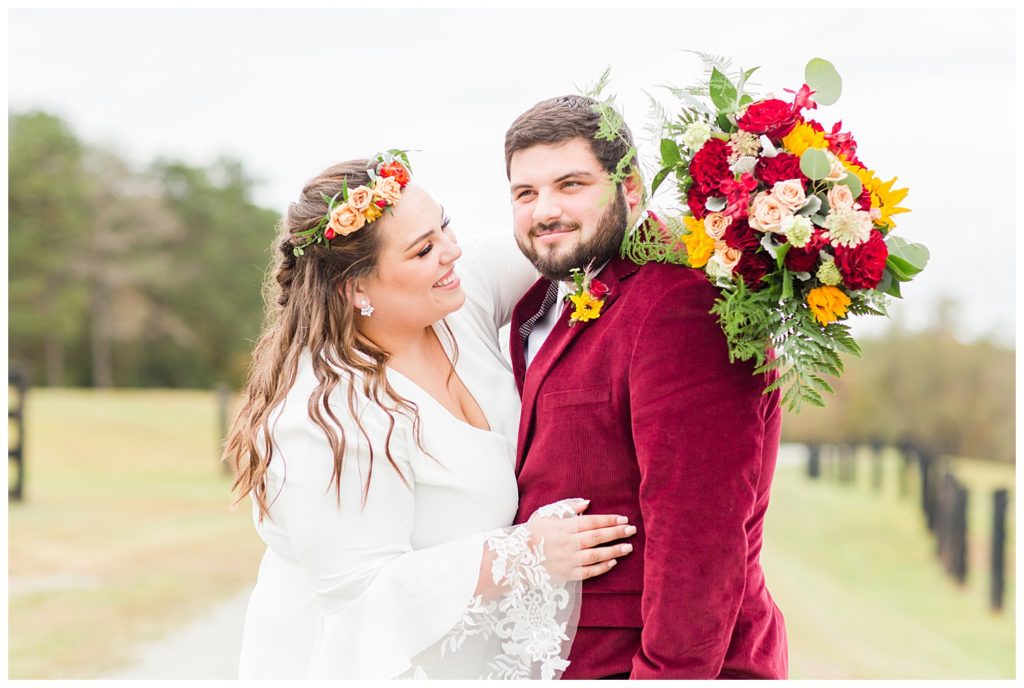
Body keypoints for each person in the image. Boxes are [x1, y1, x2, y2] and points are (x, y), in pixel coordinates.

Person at [223, 154, 636, 679]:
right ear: (356, 289)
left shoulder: (457, 297)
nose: (453, 251)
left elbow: (567, 236)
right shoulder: (324, 416)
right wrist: (522, 554)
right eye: (424, 249)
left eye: (444, 226)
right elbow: (360, 598)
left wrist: (740, 219)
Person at [504, 96, 788, 679]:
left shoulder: (683, 301)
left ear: (629, 188)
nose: (546, 210)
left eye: (571, 184)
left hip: (648, 662)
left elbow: (699, 538)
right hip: (560, 652)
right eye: (525, 193)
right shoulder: (538, 302)